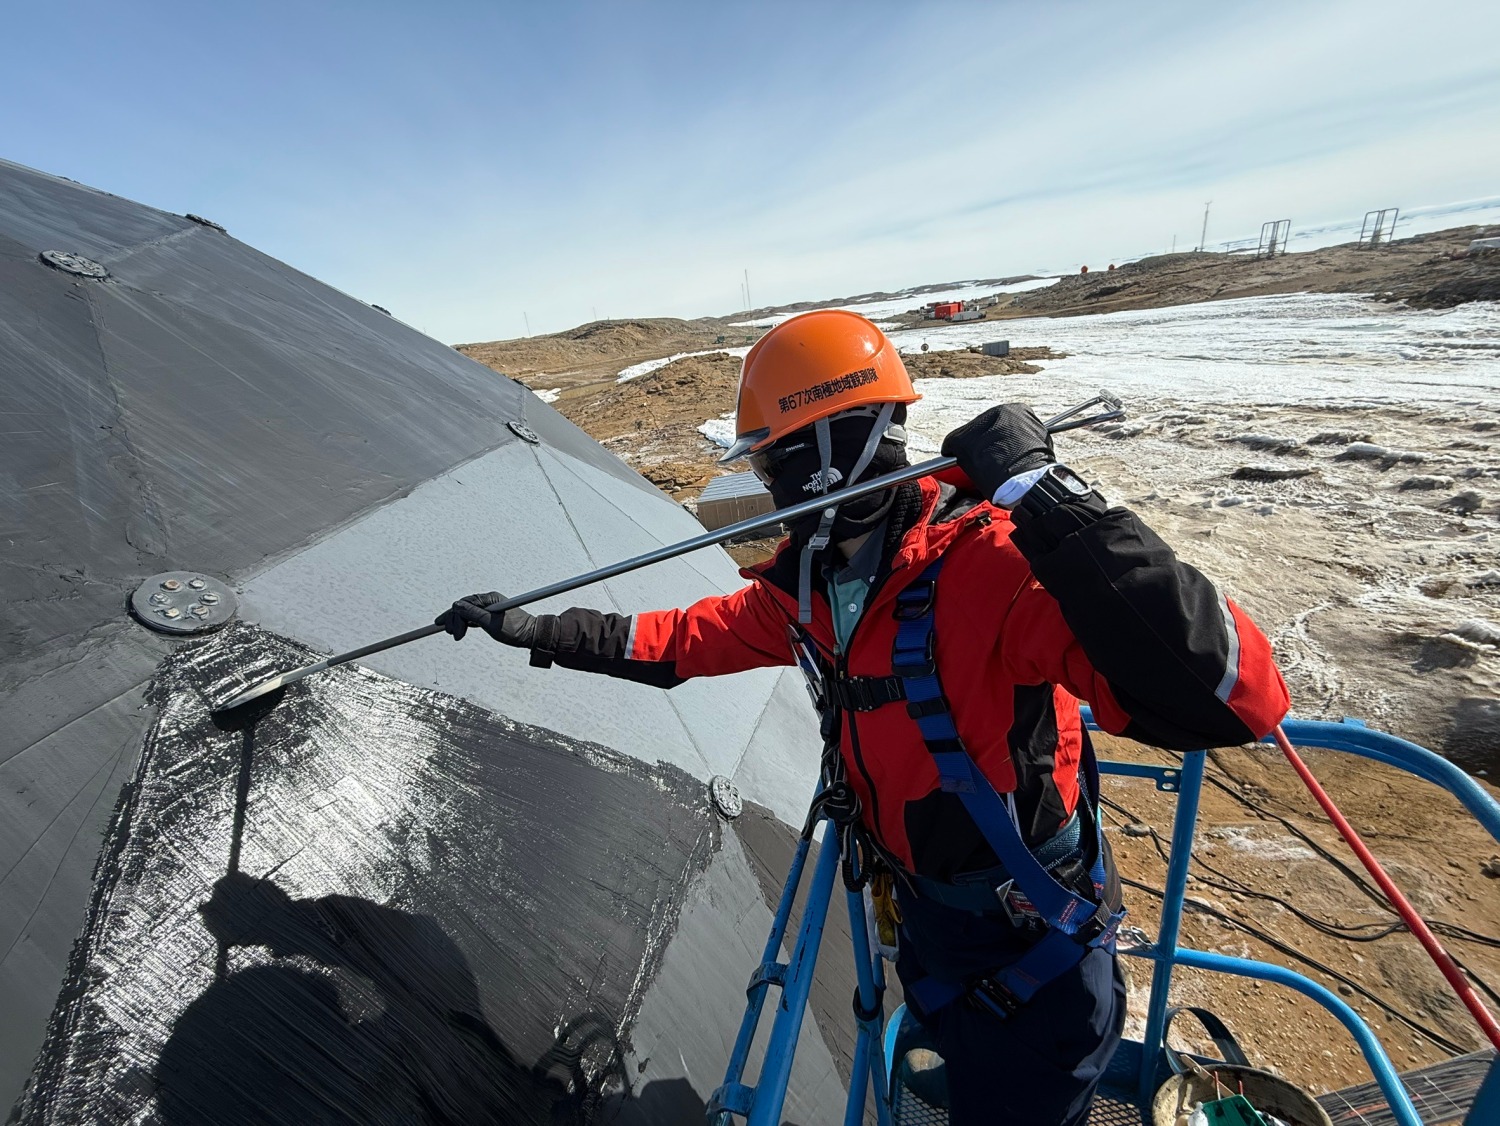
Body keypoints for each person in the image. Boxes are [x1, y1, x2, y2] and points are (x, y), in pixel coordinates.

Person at [437, 310, 1289, 1125]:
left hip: (1031, 945)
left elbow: (1231, 695)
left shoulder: (995, 565)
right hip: (926, 921)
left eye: (772, 461)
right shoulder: (813, 588)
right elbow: (680, 642)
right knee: (959, 1062)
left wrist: (1053, 502)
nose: (765, 482)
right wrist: (533, 630)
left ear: (823, 456)